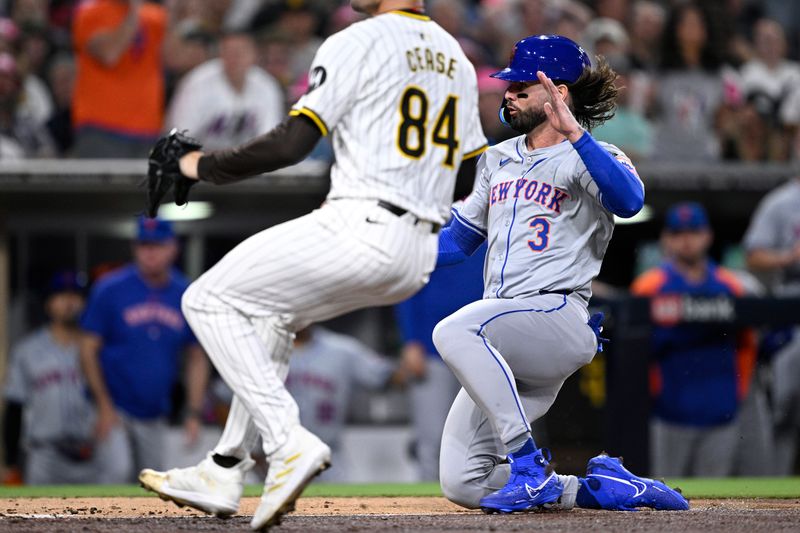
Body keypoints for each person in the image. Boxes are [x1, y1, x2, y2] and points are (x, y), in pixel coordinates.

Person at [137, 1, 488, 530]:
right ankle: (225, 467)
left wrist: (197, 165)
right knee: (274, 318)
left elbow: (293, 143)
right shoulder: (456, 58)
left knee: (205, 299)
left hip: (361, 223)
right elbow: (465, 178)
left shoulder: (357, 38)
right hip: (418, 251)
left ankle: (286, 440)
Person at [429, 34, 685, 514]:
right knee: (462, 481)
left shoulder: (594, 154)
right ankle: (597, 488)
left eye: (522, 86)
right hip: (504, 335)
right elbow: (458, 242)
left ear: (558, 92)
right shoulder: (496, 158)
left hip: (557, 314)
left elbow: (630, 202)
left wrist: (577, 136)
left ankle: (526, 465)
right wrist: (399, 245)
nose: (509, 93)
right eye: (510, 85)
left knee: (454, 328)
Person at [631, 202, 766, 477]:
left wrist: (736, 395)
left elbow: (750, 345)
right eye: (678, 233)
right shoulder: (649, 285)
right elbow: (635, 356)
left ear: (707, 235)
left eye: (693, 232)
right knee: (664, 499)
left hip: (721, 413)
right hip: (669, 414)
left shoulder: (733, 286)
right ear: (666, 239)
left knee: (713, 505)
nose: (686, 240)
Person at [79, 217, 209, 482]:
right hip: (115, 406)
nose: (149, 252)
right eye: (143, 245)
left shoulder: (185, 293)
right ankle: (100, 526)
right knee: (116, 472)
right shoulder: (110, 288)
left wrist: (193, 411)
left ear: (173, 248)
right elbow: (87, 348)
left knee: (151, 481)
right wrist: (103, 404)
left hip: (156, 410)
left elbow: (197, 356)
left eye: (157, 245)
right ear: (134, 247)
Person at [2, 272, 121, 484]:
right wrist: (11, 462)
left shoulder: (102, 351)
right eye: (60, 295)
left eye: (76, 295)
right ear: (48, 304)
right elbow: (14, 407)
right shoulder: (27, 350)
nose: (69, 302)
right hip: (45, 456)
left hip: (94, 454)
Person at [395, 226, 486, 481]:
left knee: (484, 437)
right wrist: (410, 340)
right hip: (430, 350)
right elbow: (408, 287)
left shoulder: (501, 232)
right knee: (432, 438)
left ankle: (487, 496)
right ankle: (427, 512)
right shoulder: (433, 231)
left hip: (480, 350)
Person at [743, 176, 800, 474]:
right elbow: (753, 255)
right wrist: (789, 256)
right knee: (783, 411)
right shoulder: (781, 202)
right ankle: (775, 480)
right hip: (792, 318)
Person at [72, 0, 166, 158]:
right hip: (101, 129)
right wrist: (135, 12)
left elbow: (175, 58)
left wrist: (176, 10)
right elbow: (110, 55)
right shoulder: (91, 12)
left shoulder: (155, 15)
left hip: (148, 131)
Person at [165, 30, 284, 150]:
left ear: (254, 55)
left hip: (248, 161)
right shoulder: (198, 83)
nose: (234, 59)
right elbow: (180, 137)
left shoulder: (266, 85)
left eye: (240, 53)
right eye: (228, 52)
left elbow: (269, 139)